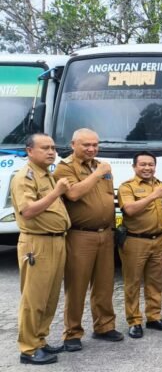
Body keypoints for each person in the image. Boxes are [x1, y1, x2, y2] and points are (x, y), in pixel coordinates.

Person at [54, 129, 123, 351]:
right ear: (73, 144)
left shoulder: (100, 165)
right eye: (86, 145)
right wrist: (98, 174)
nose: (92, 149)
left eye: (95, 144)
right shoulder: (65, 167)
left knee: (104, 284)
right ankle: (72, 333)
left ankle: (104, 326)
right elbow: (73, 194)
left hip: (105, 233)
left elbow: (107, 197)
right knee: (77, 286)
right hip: (80, 234)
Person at [11, 133, 71, 365]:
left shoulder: (46, 174)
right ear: (29, 151)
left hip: (56, 241)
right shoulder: (24, 177)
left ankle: (40, 340)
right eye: (45, 148)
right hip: (37, 243)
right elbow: (28, 211)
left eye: (53, 148)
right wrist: (57, 192)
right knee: (34, 298)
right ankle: (28, 349)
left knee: (50, 297)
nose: (51, 152)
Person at [118, 151, 162, 339]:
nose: (147, 168)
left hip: (158, 240)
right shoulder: (127, 187)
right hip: (135, 240)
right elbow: (129, 210)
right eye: (143, 164)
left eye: (150, 164)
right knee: (133, 283)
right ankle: (134, 321)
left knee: (155, 282)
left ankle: (154, 317)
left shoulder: (161, 185)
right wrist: (152, 196)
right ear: (134, 166)